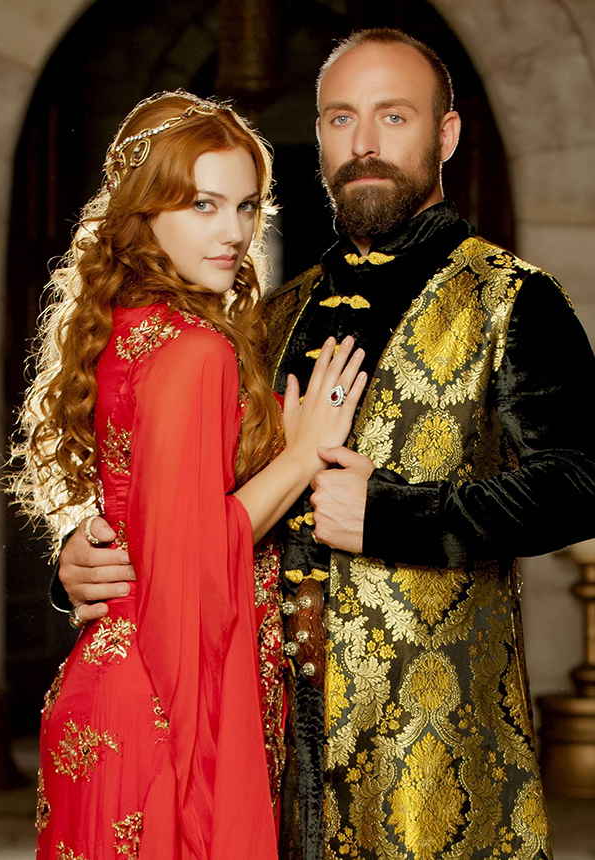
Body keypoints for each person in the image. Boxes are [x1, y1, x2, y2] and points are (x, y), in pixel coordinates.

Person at [54, 30, 595, 860]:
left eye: (393, 117)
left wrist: (395, 517)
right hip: (265, 750)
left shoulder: (513, 300)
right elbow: (180, 495)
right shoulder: (268, 316)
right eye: (342, 118)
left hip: (429, 757)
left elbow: (582, 481)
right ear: (318, 135)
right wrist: (85, 554)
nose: (365, 143)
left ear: (446, 135)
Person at [12, 90, 367, 859]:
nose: (233, 232)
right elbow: (193, 565)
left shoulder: (128, 328)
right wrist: (303, 454)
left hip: (105, 690)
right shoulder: (197, 351)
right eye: (203, 205)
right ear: (145, 212)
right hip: (158, 705)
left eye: (246, 206)